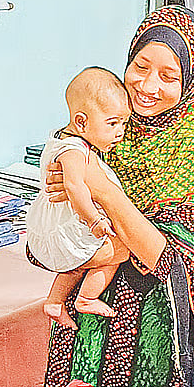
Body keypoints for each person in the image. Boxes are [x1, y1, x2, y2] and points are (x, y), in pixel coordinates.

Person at [42, 5, 194, 387]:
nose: (147, 85)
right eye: (140, 66)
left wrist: (104, 190)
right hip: (87, 324)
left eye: (169, 75)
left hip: (149, 340)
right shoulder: (106, 122)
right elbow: (54, 214)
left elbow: (178, 262)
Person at [28, 67, 131, 325]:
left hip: (55, 228)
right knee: (121, 251)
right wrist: (95, 220)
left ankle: (54, 301)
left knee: (78, 261)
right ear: (82, 122)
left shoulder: (62, 139)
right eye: (112, 123)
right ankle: (86, 297)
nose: (120, 132)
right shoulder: (74, 151)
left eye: (124, 123)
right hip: (67, 229)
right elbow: (74, 188)